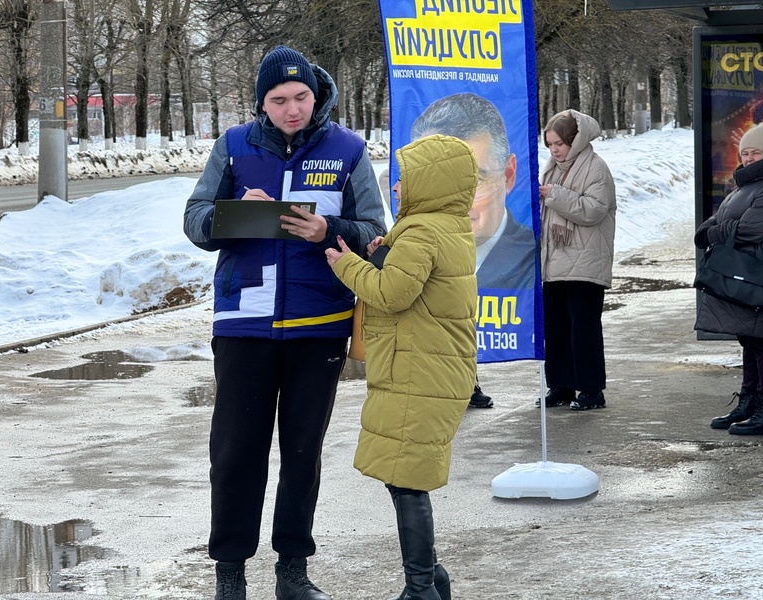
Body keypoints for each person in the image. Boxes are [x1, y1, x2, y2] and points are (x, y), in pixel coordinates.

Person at [183, 45, 386, 600]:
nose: (293, 108)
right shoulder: (233, 147)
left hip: (320, 323)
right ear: (261, 103)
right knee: (234, 454)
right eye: (279, 99)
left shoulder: (347, 149)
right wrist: (235, 214)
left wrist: (329, 231)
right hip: (243, 324)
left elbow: (375, 229)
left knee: (303, 452)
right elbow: (195, 219)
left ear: (317, 96)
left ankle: (293, 570)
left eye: (302, 97)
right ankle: (230, 573)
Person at [325, 134, 478, 600]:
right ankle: (432, 579)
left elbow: (392, 294)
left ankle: (420, 590)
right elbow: (418, 285)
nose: (395, 188)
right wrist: (382, 255)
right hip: (430, 366)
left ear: (429, 183)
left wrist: (347, 264)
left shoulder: (422, 230)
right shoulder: (447, 226)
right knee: (405, 475)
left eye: (403, 179)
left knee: (406, 481)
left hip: (419, 370)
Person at [411, 92, 537, 409]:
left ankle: (469, 384)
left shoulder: (527, 261)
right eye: (434, 178)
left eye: (474, 179)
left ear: (508, 176)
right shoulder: (413, 245)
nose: (454, 199)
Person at [538, 109, 616, 411]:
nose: (555, 150)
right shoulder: (552, 167)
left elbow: (594, 210)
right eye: (550, 144)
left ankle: (591, 389)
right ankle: (561, 386)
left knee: (583, 327)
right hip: (553, 259)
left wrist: (554, 194)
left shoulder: (596, 168)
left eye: (559, 143)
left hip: (584, 262)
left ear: (576, 140)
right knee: (555, 327)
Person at [695, 122, 763, 434]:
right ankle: (749, 400)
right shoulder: (743, 185)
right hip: (744, 273)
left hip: (757, 275)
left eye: (756, 152)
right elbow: (722, 219)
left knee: (761, 341)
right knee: (748, 339)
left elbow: (753, 228)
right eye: (745, 152)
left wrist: (714, 233)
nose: (749, 157)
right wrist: (711, 230)